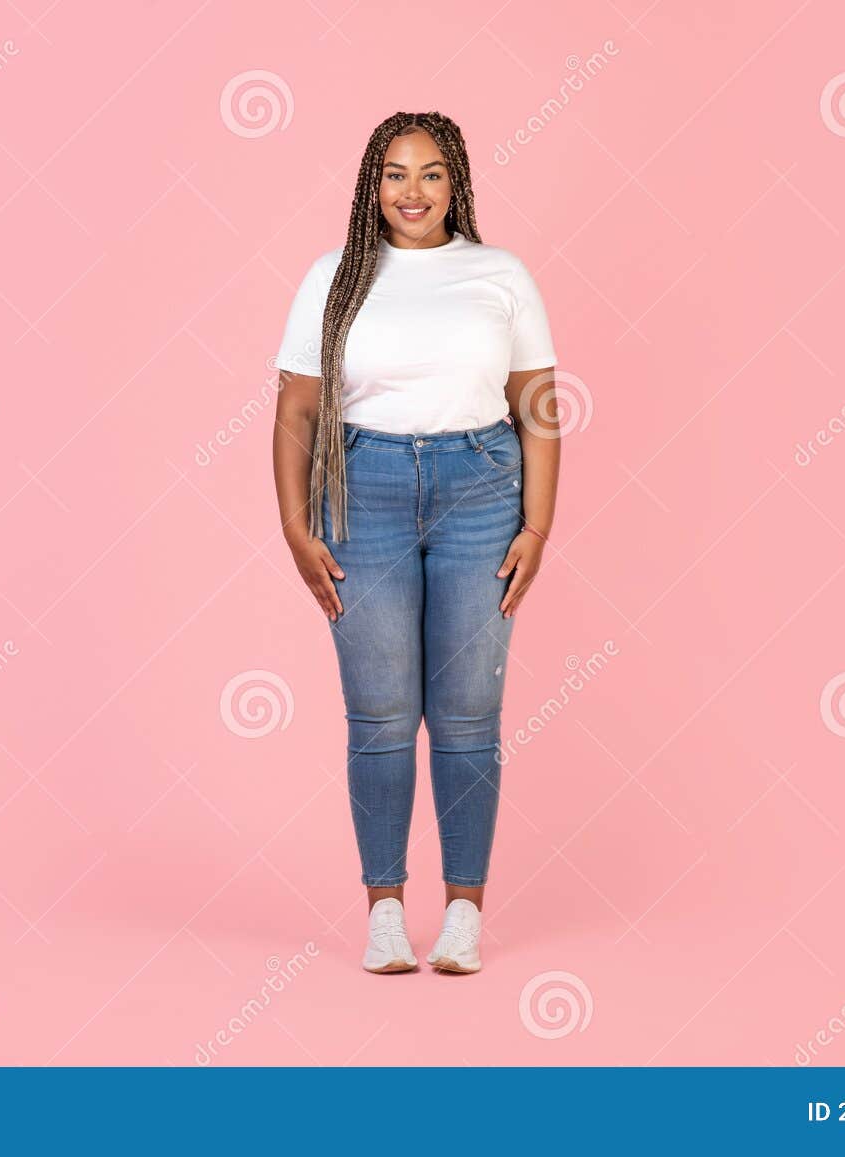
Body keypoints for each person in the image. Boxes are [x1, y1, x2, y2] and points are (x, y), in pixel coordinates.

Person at [271, 111, 560, 974]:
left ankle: (465, 911)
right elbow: (295, 409)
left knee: (470, 711)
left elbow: (540, 407)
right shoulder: (334, 276)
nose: (413, 191)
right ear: (372, 185)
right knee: (382, 713)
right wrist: (293, 524)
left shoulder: (499, 273)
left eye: (431, 174)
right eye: (395, 174)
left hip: (482, 491)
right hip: (363, 494)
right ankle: (386, 911)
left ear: (457, 182)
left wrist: (538, 526)